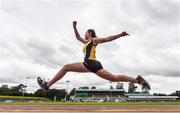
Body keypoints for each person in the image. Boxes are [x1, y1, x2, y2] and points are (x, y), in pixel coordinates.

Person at [37, 21, 150, 92]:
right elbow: (78, 37)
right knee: (114, 78)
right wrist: (74, 26)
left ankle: (47, 86)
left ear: (90, 33)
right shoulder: (86, 43)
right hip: (94, 64)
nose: (84, 34)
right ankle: (138, 80)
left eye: (86, 33)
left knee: (66, 67)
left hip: (90, 63)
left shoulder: (94, 40)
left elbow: (107, 39)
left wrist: (120, 35)